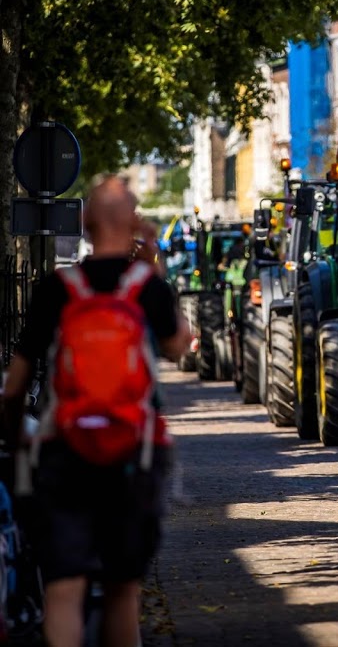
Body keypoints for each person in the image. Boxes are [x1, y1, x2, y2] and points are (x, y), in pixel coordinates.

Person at [2, 175, 190, 647]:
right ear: (133, 222)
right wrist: (155, 268)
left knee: (64, 588)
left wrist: (19, 439)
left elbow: (15, 385)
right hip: (134, 454)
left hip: (65, 453)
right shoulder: (146, 288)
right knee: (124, 591)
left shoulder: (56, 289)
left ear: (83, 225)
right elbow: (178, 347)